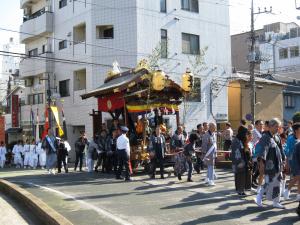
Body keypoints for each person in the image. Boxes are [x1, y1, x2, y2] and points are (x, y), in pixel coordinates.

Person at [255, 118, 285, 209]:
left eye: (278, 127)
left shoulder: (277, 137)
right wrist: (261, 163)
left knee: (278, 182)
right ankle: (259, 197)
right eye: (276, 126)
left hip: (278, 163)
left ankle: (276, 202)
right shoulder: (265, 137)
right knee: (268, 183)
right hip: (269, 163)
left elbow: (281, 149)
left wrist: (284, 160)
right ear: (270, 127)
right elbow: (262, 151)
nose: (277, 128)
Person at [231, 126, 253, 196]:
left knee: (242, 175)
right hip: (239, 161)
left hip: (243, 161)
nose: (246, 135)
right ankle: (240, 191)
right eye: (245, 133)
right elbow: (236, 152)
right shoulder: (236, 141)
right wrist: (240, 161)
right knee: (239, 176)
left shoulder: (240, 140)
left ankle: (242, 189)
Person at [283, 122, 300, 201]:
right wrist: (287, 164)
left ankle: (298, 195)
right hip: (293, 160)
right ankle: (287, 191)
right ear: (296, 130)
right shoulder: (291, 138)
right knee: (297, 176)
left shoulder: (299, 137)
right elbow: (287, 152)